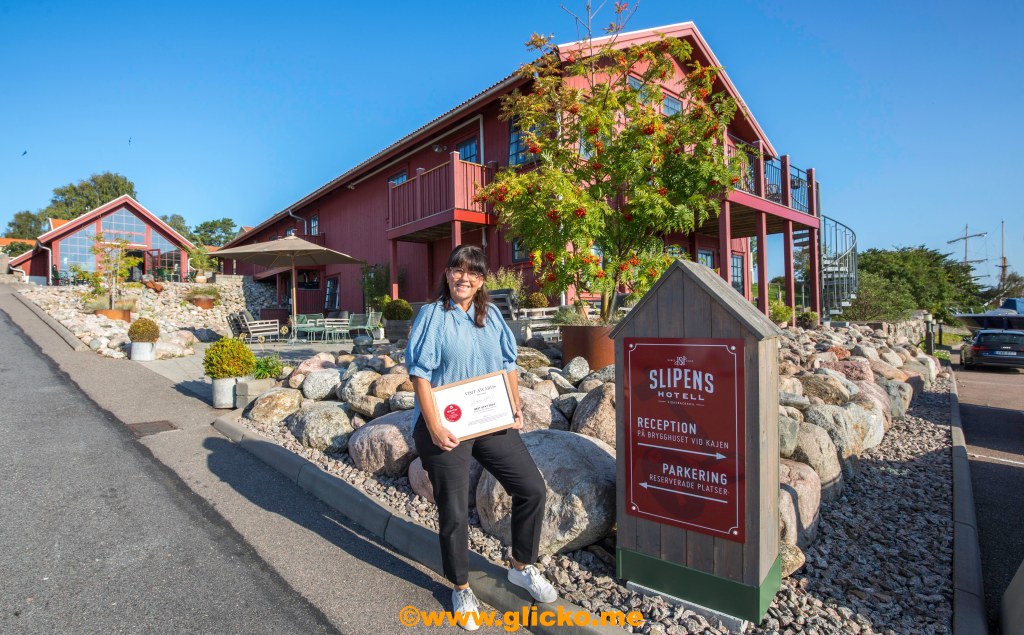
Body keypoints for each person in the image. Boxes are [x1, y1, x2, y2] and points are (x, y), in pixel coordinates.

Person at [406, 245, 557, 631]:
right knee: (455, 511)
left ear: (481, 280)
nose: (463, 278)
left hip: (490, 418)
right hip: (445, 425)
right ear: (447, 273)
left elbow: (508, 362)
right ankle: (460, 587)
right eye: (457, 270)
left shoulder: (490, 315)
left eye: (472, 272)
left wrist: (515, 404)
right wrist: (435, 426)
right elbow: (420, 374)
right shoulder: (433, 315)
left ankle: (521, 567)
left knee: (531, 489)